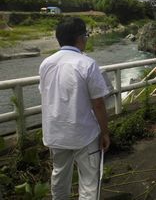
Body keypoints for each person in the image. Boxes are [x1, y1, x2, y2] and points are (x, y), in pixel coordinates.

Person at [39, 17, 110, 199]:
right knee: (88, 181)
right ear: (80, 38)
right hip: (83, 134)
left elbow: (46, 94)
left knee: (59, 176)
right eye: (86, 35)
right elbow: (98, 103)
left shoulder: (46, 64)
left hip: (55, 132)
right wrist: (105, 132)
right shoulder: (87, 64)